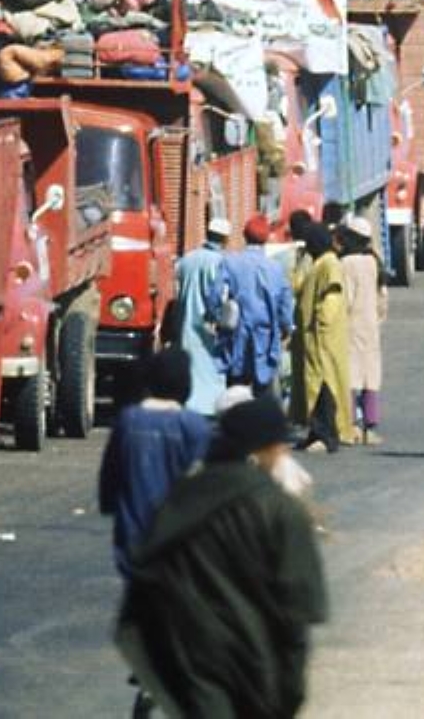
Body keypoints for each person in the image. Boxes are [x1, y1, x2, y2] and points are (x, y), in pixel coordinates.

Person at [116, 395, 329, 719]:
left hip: (191, 660)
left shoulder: (183, 497)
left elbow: (146, 576)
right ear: (266, 448)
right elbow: (298, 609)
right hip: (256, 665)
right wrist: (290, 690)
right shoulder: (280, 510)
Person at [98, 349, 211, 579]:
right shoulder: (194, 425)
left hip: (133, 533)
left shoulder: (128, 420)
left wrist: (109, 503)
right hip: (179, 537)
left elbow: (110, 473)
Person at [291, 224, 355, 453]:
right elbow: (295, 286)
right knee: (311, 386)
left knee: (324, 387)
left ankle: (327, 436)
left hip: (323, 340)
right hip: (310, 339)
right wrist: (301, 262)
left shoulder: (330, 263)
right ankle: (314, 432)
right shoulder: (317, 263)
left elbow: (332, 297)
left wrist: (321, 321)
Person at [225, 216, 295, 399]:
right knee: (263, 385)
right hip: (266, 334)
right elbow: (285, 302)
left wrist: (217, 317)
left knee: (236, 384)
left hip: (236, 333)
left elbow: (215, 295)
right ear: (265, 239)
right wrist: (286, 326)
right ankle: (260, 423)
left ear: (244, 236)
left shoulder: (230, 262)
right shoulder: (276, 268)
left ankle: (235, 424)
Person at [169, 216, 233, 416]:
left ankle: (189, 403)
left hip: (185, 323)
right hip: (210, 326)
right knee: (211, 369)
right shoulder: (222, 262)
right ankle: (211, 407)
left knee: (191, 366)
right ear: (225, 240)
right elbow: (223, 296)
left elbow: (175, 290)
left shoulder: (187, 259)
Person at [338, 217, 387, 445]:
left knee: (350, 376)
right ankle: (371, 427)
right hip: (370, 326)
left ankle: (351, 425)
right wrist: (378, 318)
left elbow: (345, 298)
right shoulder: (374, 262)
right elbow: (382, 297)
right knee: (370, 376)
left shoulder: (346, 264)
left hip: (351, 325)